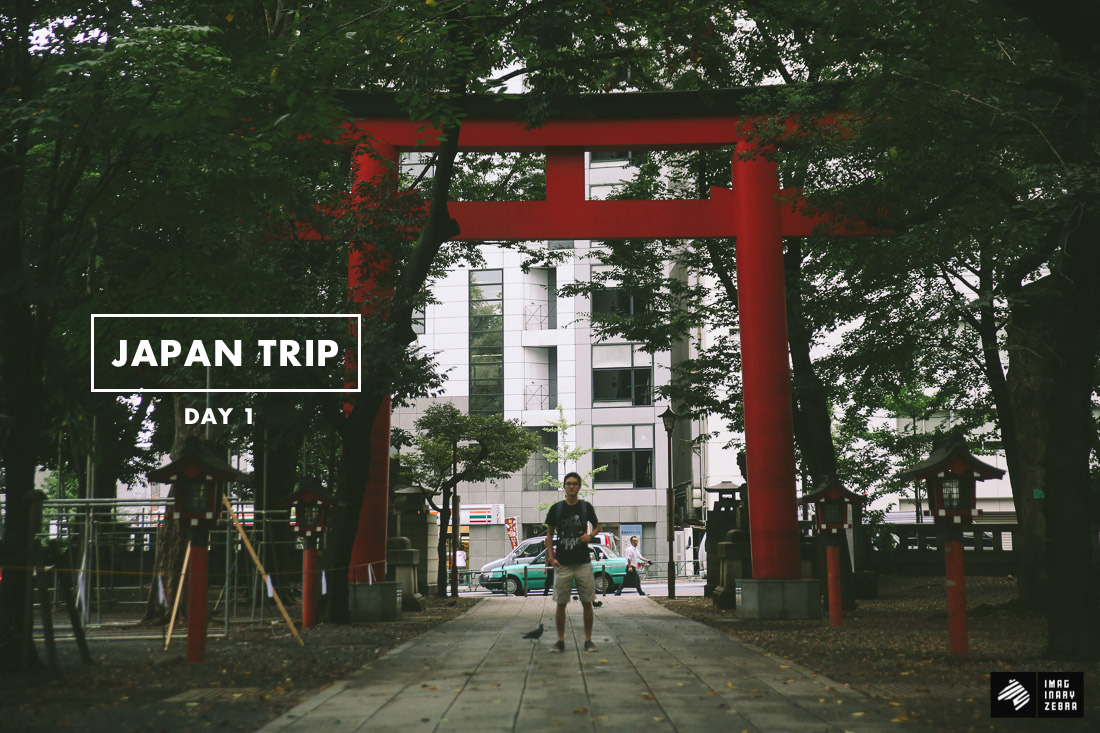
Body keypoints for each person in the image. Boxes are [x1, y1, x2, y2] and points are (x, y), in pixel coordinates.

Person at [545, 472, 601, 653]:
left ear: (579, 486)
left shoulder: (585, 507)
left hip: (583, 562)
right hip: (563, 563)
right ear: (564, 486)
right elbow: (549, 534)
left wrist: (590, 536)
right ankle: (560, 640)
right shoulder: (556, 509)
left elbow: (598, 526)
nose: (571, 486)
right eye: (568, 483)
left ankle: (588, 640)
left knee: (587, 601)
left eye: (574, 483)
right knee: (561, 603)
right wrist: (551, 557)